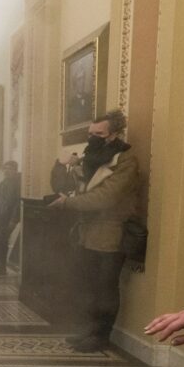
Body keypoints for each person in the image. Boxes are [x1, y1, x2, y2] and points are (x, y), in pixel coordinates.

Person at [50, 110, 139, 353]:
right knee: (88, 285)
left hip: (110, 233)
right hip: (86, 232)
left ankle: (101, 335)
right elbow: (63, 186)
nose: (92, 138)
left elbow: (105, 197)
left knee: (105, 287)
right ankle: (88, 330)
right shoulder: (90, 158)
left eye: (98, 133)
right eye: (90, 133)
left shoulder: (125, 160)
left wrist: (68, 203)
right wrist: (61, 166)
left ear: (114, 134)